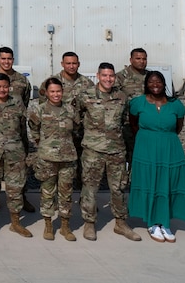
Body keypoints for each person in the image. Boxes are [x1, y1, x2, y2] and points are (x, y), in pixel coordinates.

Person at [128, 71, 185, 243]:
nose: (155, 84)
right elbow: (133, 123)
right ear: (146, 84)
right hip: (145, 147)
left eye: (158, 81)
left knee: (168, 183)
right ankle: (152, 222)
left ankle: (164, 223)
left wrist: (163, 137)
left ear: (164, 83)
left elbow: (178, 127)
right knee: (149, 182)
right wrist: (149, 137)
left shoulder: (176, 105)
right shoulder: (138, 103)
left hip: (170, 147)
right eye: (151, 81)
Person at [78, 63, 140, 241]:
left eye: (111, 76)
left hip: (116, 150)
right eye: (104, 76)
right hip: (93, 150)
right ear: (98, 76)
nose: (108, 79)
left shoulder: (121, 96)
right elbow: (76, 118)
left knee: (118, 188)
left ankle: (121, 223)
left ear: (115, 77)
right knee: (90, 188)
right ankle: (89, 223)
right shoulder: (86, 96)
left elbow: (126, 120)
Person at [27, 76, 79, 241]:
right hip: (47, 158)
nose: (56, 94)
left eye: (58, 91)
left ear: (62, 92)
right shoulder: (40, 110)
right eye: (52, 91)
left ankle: (65, 226)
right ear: (47, 93)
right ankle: (48, 225)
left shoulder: (70, 110)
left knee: (66, 193)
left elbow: (77, 129)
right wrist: (43, 145)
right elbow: (34, 130)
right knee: (47, 193)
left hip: (67, 158)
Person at [0, 73, 32, 238]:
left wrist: (25, 149)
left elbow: (23, 128)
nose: (2, 90)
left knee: (15, 189)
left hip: (15, 153)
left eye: (5, 86)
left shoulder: (17, 102)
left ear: (9, 87)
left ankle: (16, 223)